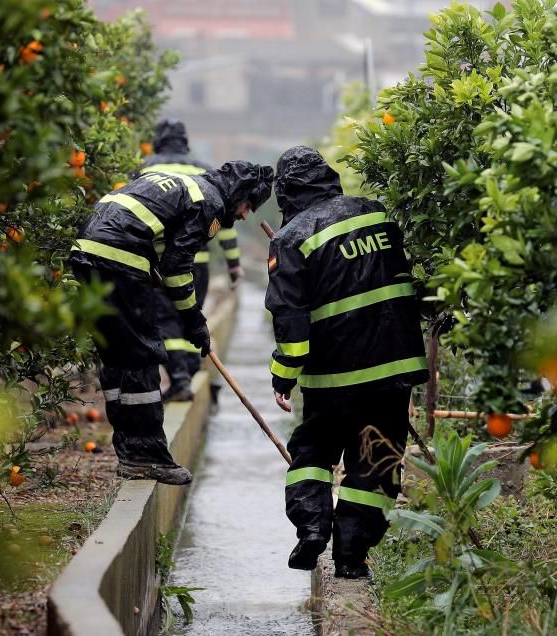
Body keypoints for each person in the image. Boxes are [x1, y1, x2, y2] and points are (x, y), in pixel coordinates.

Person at [265, 146, 428, 578]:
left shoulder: (290, 239)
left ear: (285, 193)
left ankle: (312, 527)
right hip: (393, 370)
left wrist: (283, 377)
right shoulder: (376, 213)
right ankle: (352, 559)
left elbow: (291, 321)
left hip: (333, 379)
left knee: (314, 451)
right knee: (375, 463)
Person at [69, 160, 274, 485]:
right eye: (249, 205)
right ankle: (146, 457)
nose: (246, 215)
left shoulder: (186, 186)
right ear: (239, 194)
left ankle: (130, 453)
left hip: (86, 252)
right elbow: (178, 269)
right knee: (143, 354)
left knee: (119, 356)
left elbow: (160, 252)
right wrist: (194, 321)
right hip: (119, 258)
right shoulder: (208, 203)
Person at [138, 119, 244, 403]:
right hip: (199, 263)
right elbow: (226, 222)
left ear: (158, 140)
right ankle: (190, 367)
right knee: (191, 313)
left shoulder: (146, 168)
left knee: (165, 319)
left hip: (160, 262)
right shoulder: (204, 169)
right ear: (185, 141)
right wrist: (234, 264)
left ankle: (181, 377)